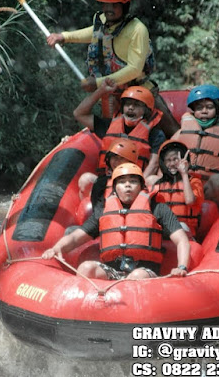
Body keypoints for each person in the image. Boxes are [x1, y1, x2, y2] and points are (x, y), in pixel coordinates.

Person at [46, 0, 180, 137]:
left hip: (139, 92)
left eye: (114, 5)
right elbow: (94, 33)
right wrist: (64, 37)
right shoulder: (102, 21)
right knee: (111, 135)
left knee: (172, 131)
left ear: (124, 6)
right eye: (106, 4)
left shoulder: (137, 29)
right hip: (111, 93)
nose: (109, 9)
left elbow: (134, 69)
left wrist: (98, 83)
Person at [43, 163, 190, 280]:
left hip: (145, 272)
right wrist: (57, 248)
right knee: (86, 268)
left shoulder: (158, 208)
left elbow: (181, 240)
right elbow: (75, 238)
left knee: (137, 276)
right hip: (113, 272)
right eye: (122, 182)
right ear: (114, 188)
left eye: (133, 181)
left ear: (141, 186)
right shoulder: (104, 211)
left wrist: (182, 267)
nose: (127, 185)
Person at [74, 78, 166, 182]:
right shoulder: (109, 125)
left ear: (146, 110)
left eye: (136, 105)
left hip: (134, 181)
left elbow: (154, 164)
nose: (130, 107)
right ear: (122, 107)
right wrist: (101, 91)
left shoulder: (155, 133)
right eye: (128, 104)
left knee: (153, 180)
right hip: (108, 180)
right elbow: (79, 114)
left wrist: (138, 185)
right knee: (86, 179)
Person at [147, 140, 204, 239]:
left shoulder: (194, 182)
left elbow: (190, 201)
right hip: (162, 231)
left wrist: (184, 174)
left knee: (182, 226)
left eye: (176, 159)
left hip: (186, 232)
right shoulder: (156, 185)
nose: (172, 163)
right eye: (168, 160)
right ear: (163, 163)